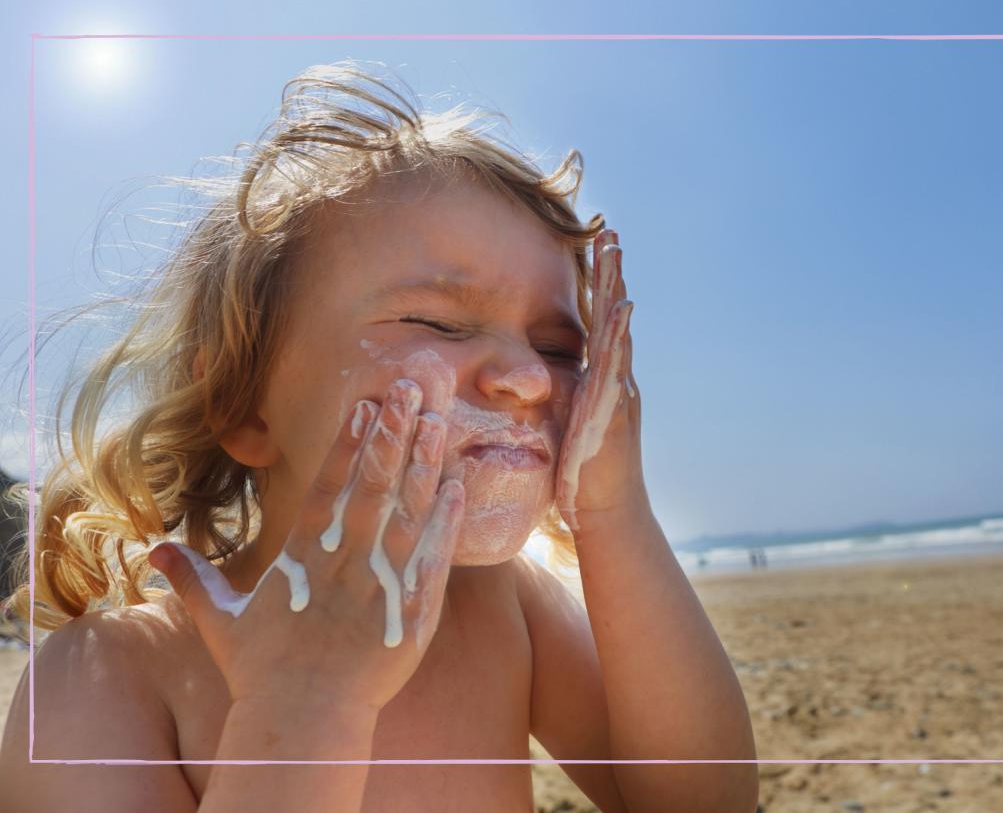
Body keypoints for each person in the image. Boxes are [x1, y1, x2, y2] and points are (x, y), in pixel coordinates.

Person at [0, 61, 758, 812]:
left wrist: (614, 514)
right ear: (245, 407)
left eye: (560, 350)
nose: (528, 379)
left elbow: (698, 798)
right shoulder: (102, 677)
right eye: (437, 323)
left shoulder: (499, 605)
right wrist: (302, 705)